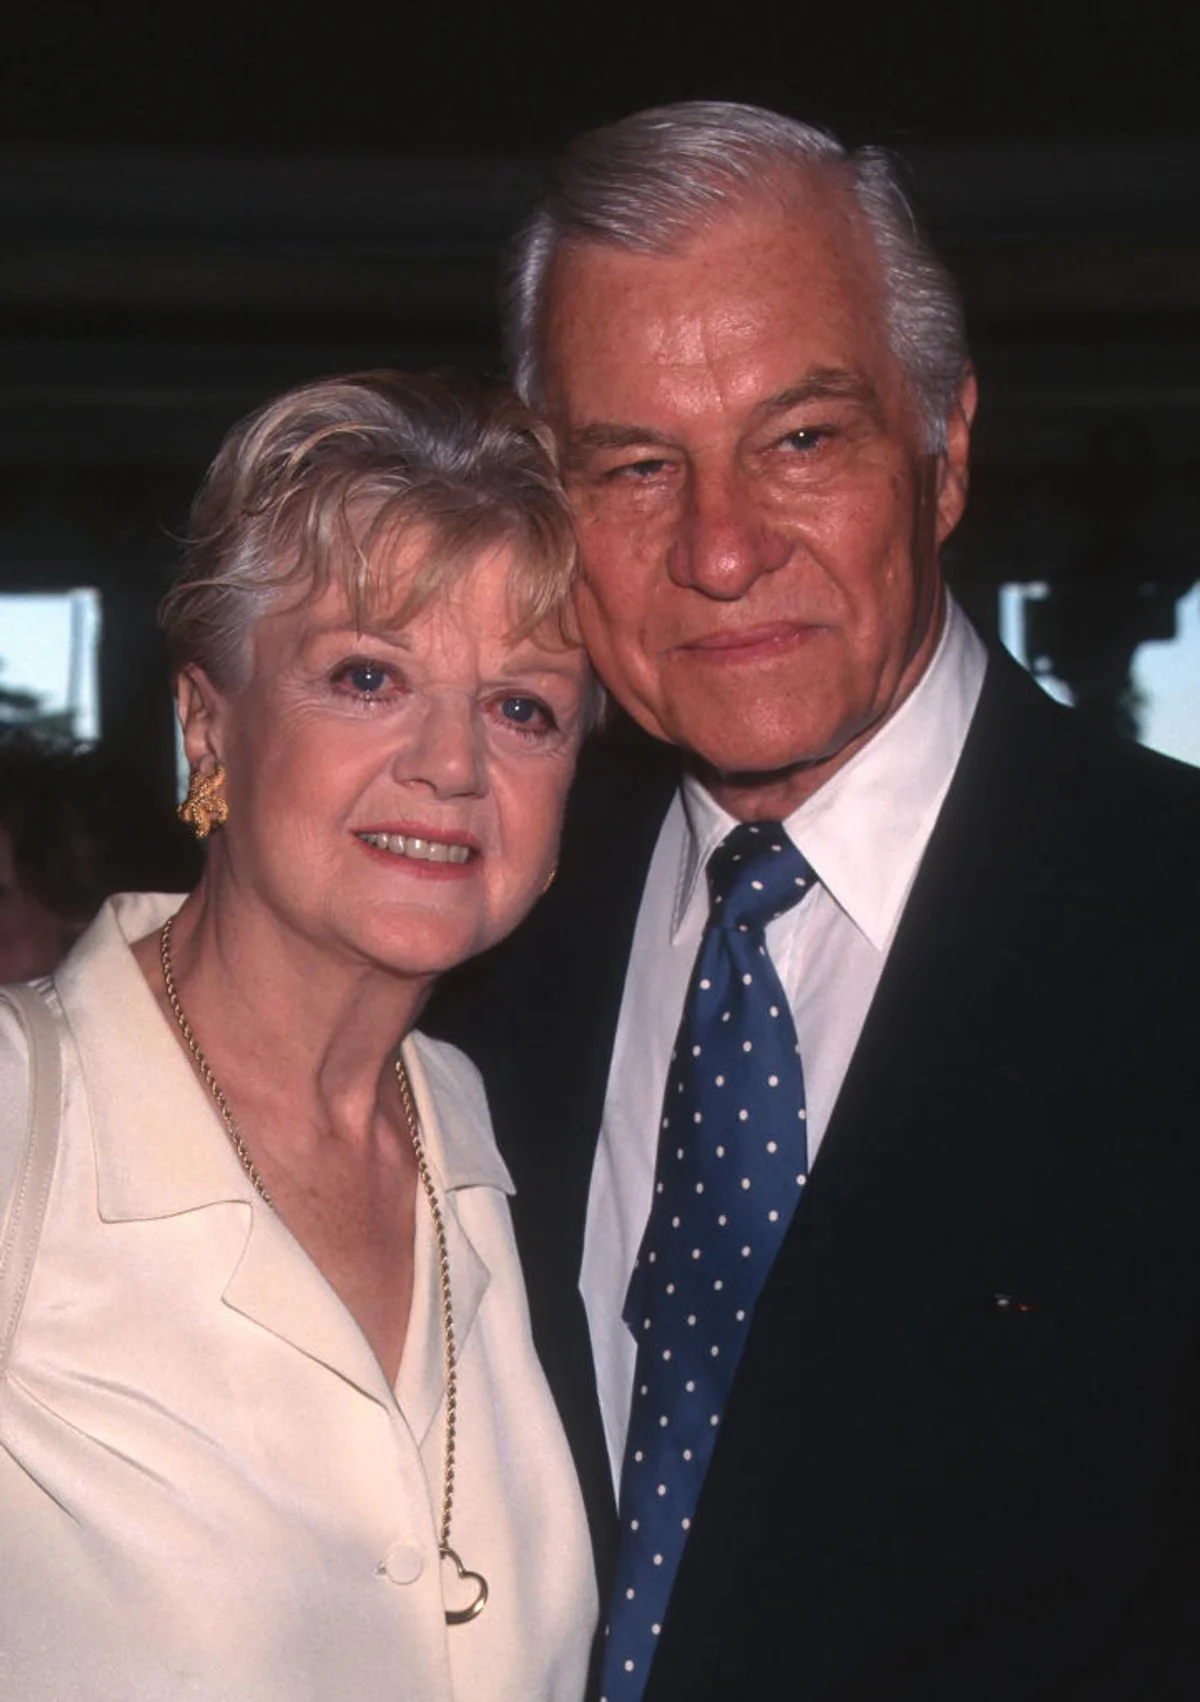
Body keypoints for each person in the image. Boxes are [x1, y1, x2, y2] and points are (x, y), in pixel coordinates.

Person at [426, 104, 1200, 1700]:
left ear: (947, 450)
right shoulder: (476, 931)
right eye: (635, 465)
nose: (720, 551)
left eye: (802, 441)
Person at [0, 371, 598, 1701]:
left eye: (524, 706)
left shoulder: (508, 1143)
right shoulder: (24, 1115)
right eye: (367, 676)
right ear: (206, 720)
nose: (454, 764)